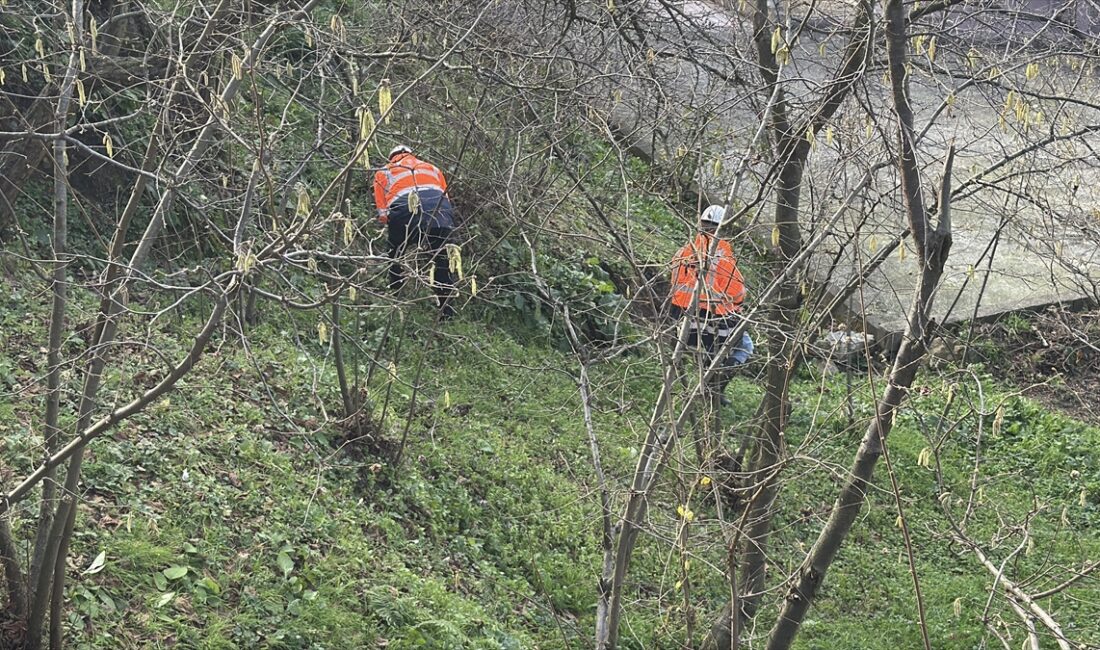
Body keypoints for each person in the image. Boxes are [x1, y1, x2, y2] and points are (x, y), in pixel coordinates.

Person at [670, 204, 753, 404]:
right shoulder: (723, 256)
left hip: (680, 321)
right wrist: (742, 294)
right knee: (745, 346)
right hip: (711, 319)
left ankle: (704, 385)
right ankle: (714, 388)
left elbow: (674, 284)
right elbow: (736, 294)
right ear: (721, 228)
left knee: (710, 349)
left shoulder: (685, 251)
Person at [373, 144, 456, 318]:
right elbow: (446, 197)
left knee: (395, 252)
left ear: (392, 157)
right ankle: (446, 310)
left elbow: (383, 214)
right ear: (411, 154)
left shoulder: (383, 172)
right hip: (439, 209)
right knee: (441, 259)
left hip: (405, 210)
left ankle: (396, 293)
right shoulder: (432, 168)